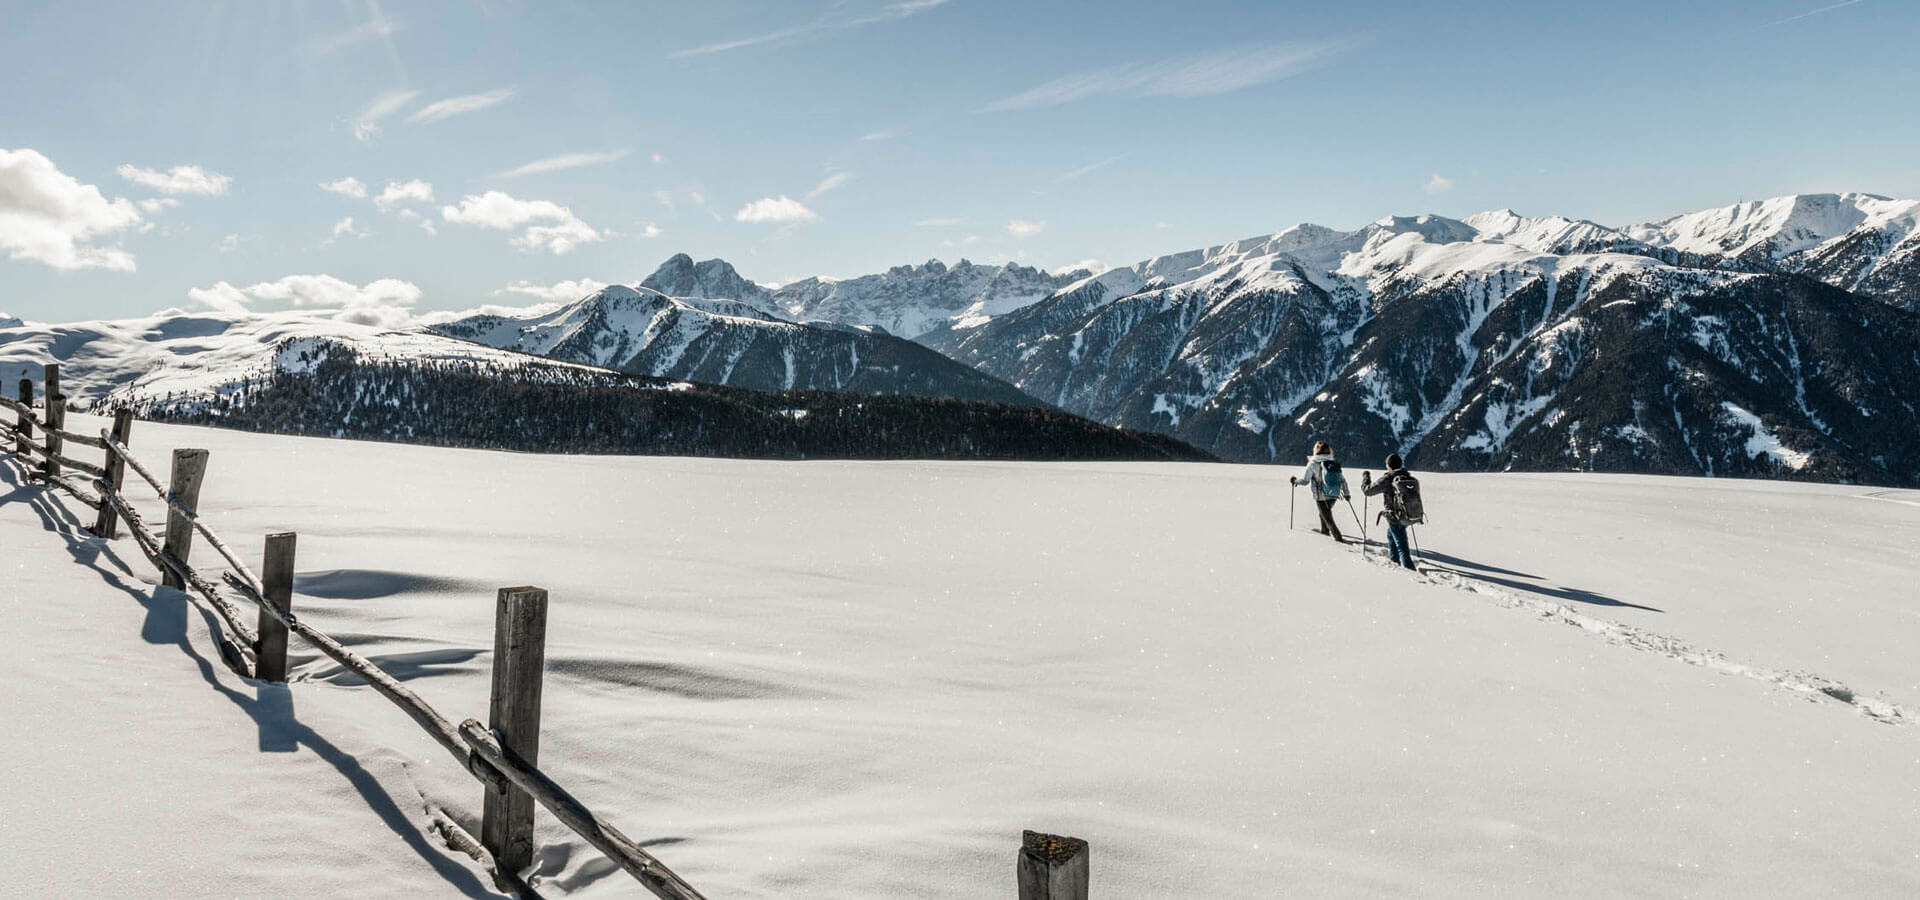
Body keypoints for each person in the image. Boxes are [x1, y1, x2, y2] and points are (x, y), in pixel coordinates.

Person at [1362, 453, 1419, 570]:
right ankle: (1394, 563)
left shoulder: (1388, 479)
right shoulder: (1407, 476)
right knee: (1391, 535)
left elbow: (1368, 491)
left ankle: (1410, 572)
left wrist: (1365, 478)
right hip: (1406, 515)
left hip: (1394, 517)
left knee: (1402, 547)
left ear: (1389, 466)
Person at [1290, 441, 1348, 542]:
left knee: (1328, 518)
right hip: (1334, 494)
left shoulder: (1313, 464)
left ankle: (1338, 538)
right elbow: (1342, 480)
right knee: (1324, 514)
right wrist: (1347, 493)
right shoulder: (1333, 463)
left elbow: (1305, 481)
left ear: (1316, 450)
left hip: (1321, 496)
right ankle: (1324, 531)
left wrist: (1295, 481)